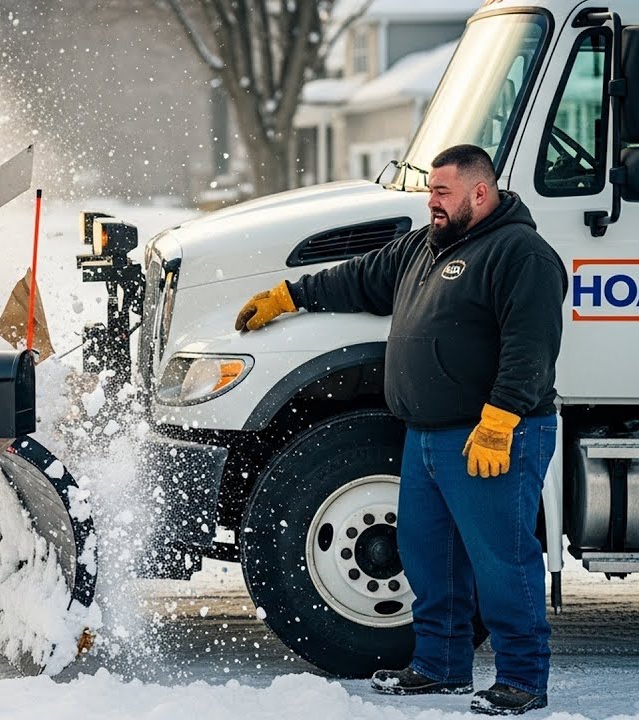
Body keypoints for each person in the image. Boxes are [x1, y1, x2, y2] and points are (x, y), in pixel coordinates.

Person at [235, 144, 566, 716]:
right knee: (427, 555)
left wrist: (500, 420)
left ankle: (522, 679)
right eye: (430, 191)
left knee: (501, 560)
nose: (431, 203)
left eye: (443, 193)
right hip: (427, 436)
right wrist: (290, 296)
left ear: (480, 193)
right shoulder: (423, 246)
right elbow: (361, 278)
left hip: (492, 436)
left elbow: (530, 346)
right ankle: (439, 666)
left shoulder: (520, 254)